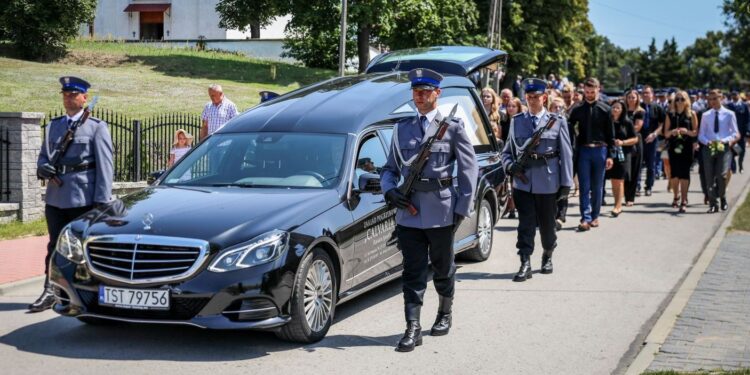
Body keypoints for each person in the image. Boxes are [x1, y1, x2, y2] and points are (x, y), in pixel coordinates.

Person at [381, 68, 478, 352]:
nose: (420, 97)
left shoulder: (454, 127)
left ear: (438, 93)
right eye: (416, 92)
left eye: (425, 92)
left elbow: (470, 170)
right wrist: (390, 191)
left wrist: (461, 208)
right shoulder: (401, 128)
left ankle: (444, 313)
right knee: (412, 272)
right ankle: (413, 327)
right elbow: (389, 169)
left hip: (442, 210)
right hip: (409, 212)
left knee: (443, 267)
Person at [30, 76, 114, 312]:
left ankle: (90, 292)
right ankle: (50, 291)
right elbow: (44, 156)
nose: (68, 98)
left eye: (73, 94)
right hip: (56, 197)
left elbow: (105, 167)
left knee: (83, 249)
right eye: (65, 94)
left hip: (84, 199)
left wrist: (102, 202)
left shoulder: (96, 127)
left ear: (84, 98)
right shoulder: (54, 125)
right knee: (54, 246)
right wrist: (42, 167)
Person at [501, 78, 573, 282]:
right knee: (525, 224)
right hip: (523, 182)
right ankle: (525, 262)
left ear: (544, 97)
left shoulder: (557, 121)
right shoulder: (517, 121)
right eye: (529, 97)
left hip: (548, 182)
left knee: (548, 226)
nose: (532, 101)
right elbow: (507, 152)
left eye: (536, 97)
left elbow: (566, 155)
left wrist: (567, 183)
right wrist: (510, 166)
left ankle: (548, 253)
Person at [568, 77, 614, 231]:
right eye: (586, 92)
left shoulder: (606, 109)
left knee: (597, 186)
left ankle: (595, 216)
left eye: (592, 92)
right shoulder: (578, 109)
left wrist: (610, 155)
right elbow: (568, 126)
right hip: (584, 151)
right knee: (584, 186)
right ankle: (585, 218)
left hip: (601, 150)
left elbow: (611, 134)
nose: (589, 94)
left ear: (598, 90)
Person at [698, 89, 740, 213]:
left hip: (724, 147)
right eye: (710, 99)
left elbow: (734, 133)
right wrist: (707, 142)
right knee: (709, 176)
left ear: (721, 98)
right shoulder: (706, 115)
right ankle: (713, 204)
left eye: (715, 98)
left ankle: (722, 197)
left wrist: (724, 140)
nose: (713, 101)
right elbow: (701, 134)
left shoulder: (729, 114)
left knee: (722, 175)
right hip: (709, 148)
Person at [665, 90, 699, 213]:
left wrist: (687, 131)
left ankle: (684, 199)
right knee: (674, 174)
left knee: (684, 173)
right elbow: (666, 133)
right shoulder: (670, 114)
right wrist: (673, 132)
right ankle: (676, 196)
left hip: (686, 146)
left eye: (682, 99)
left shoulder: (692, 114)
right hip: (673, 146)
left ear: (687, 101)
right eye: (677, 99)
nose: (679, 101)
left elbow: (696, 132)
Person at [607, 100, 638, 217]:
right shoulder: (608, 122)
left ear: (622, 110)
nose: (615, 109)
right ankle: (617, 203)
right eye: (613, 107)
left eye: (618, 108)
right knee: (614, 180)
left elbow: (635, 139)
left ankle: (618, 206)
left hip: (623, 153)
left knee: (620, 180)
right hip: (611, 154)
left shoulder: (627, 123)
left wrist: (622, 142)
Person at [638, 85, 666, 197]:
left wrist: (654, 134)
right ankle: (637, 186)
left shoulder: (658, 108)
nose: (645, 95)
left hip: (652, 139)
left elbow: (663, 124)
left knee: (651, 165)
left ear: (652, 94)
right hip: (639, 139)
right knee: (638, 165)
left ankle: (648, 186)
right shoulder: (638, 107)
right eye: (643, 93)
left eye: (647, 93)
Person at [499, 97, 523, 219]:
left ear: (519, 108)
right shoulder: (504, 122)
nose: (510, 108)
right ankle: (510, 207)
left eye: (514, 106)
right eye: (509, 106)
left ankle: (515, 207)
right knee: (507, 184)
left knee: (514, 184)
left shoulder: (522, 122)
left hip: (517, 156)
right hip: (505, 154)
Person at [624, 90, 645, 207]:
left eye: (634, 97)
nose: (631, 99)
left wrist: (624, 131)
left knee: (634, 169)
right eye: (629, 97)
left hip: (635, 141)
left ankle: (630, 197)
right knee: (625, 169)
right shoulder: (623, 110)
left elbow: (637, 127)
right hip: (623, 142)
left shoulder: (640, 112)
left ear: (637, 99)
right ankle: (624, 193)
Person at [727, 91, 749, 173]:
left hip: (741, 133)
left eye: (735, 95)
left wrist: (748, 130)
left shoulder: (744, 106)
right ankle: (733, 167)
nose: (734, 96)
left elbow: (747, 119)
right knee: (732, 151)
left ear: (738, 95)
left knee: (741, 151)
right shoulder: (729, 105)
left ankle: (740, 165)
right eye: (732, 95)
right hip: (731, 133)